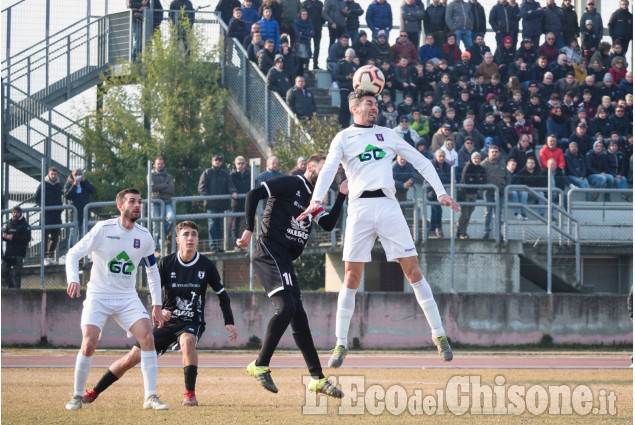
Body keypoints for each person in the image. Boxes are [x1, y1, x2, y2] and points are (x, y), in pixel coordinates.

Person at [297, 90, 460, 368]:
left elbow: (421, 161)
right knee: (351, 276)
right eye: (369, 104)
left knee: (413, 271)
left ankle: (439, 335)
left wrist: (441, 191)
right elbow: (328, 170)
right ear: (354, 107)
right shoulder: (344, 137)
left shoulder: (388, 134)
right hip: (359, 209)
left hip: (388, 206)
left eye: (376, 104)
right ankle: (340, 344)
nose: (375, 108)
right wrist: (316, 200)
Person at [81, 221, 238, 407]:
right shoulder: (166, 262)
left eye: (194, 234)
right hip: (167, 321)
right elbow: (152, 289)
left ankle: (189, 395)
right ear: (178, 239)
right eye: (186, 234)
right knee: (131, 358)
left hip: (191, 321)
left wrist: (229, 321)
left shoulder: (207, 265)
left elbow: (222, 295)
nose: (190, 238)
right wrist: (159, 309)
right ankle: (93, 392)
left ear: (198, 239)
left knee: (187, 341)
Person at [236, 154, 346, 397]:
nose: (328, 172)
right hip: (269, 250)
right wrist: (248, 230)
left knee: (299, 319)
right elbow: (253, 194)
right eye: (324, 167)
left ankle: (317, 379)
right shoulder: (293, 183)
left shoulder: (313, 199)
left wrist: (342, 195)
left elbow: (327, 224)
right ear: (309, 167)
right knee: (285, 308)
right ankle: (260, 364)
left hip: (284, 258)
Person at [64, 188, 168, 411]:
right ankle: (76, 396)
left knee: (147, 337)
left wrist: (157, 305)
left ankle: (150, 397)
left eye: (139, 202)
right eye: (131, 202)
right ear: (120, 206)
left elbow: (152, 271)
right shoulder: (103, 229)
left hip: (126, 298)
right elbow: (73, 253)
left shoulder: (144, 235)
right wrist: (73, 279)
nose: (137, 205)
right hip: (98, 296)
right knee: (89, 342)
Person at [198, 154, 238, 252]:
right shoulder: (207, 173)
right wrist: (207, 197)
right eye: (216, 159)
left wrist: (233, 192)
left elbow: (230, 185)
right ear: (212, 161)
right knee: (212, 225)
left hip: (221, 205)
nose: (218, 161)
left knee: (219, 226)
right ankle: (213, 246)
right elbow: (202, 187)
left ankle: (218, 246)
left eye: (219, 160)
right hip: (211, 205)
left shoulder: (225, 174)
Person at [34, 166, 63, 266]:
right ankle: (43, 258)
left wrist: (61, 208)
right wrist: (44, 207)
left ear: (57, 175)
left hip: (56, 216)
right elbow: (36, 198)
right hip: (46, 216)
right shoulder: (43, 184)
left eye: (55, 174)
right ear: (48, 174)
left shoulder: (59, 185)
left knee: (55, 238)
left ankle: (49, 257)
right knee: (45, 238)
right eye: (52, 174)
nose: (54, 176)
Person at [481, 144, 510, 238]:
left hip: (500, 193)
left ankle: (498, 233)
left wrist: (505, 187)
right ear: (488, 153)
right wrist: (484, 188)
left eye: (496, 152)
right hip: (488, 193)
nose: (494, 154)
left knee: (498, 214)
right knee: (488, 213)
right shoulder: (484, 164)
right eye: (492, 152)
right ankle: (486, 232)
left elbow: (508, 177)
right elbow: (480, 178)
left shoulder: (502, 164)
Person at [147, 158, 175, 254]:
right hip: (155, 202)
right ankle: (156, 248)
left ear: (164, 164)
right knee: (156, 225)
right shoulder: (151, 175)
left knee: (171, 218)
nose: (160, 165)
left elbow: (171, 189)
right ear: (154, 165)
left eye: (161, 163)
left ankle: (164, 235)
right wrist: (165, 185)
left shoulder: (168, 176)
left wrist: (160, 187)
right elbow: (152, 187)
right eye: (158, 164)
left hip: (167, 202)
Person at [456, 152, 486, 238]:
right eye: (475, 158)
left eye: (478, 158)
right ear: (471, 159)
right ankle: (459, 229)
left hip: (474, 194)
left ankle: (463, 231)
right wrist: (477, 179)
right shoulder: (468, 167)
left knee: (469, 214)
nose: (477, 160)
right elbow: (465, 180)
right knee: (465, 214)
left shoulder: (481, 168)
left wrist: (474, 179)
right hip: (465, 193)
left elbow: (483, 180)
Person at [64, 168, 97, 244]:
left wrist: (85, 181)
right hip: (74, 213)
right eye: (76, 175)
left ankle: (81, 254)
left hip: (84, 213)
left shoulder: (84, 183)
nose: (78, 176)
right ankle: (71, 252)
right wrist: (75, 185)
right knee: (73, 234)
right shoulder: (69, 183)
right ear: (72, 175)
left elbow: (93, 190)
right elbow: (67, 196)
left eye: (79, 175)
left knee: (83, 234)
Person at [2, 206, 31, 289]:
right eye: (14, 212)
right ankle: (10, 288)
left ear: (20, 213)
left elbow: (26, 239)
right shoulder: (9, 223)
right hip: (8, 253)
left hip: (19, 254)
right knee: (3, 272)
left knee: (16, 275)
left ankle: (16, 293)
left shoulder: (25, 225)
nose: (15, 214)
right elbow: (5, 235)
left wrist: (13, 238)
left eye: (17, 212)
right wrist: (4, 237)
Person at [427, 149, 453, 238]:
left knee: (438, 210)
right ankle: (433, 230)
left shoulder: (447, 166)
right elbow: (431, 178)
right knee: (435, 210)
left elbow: (450, 179)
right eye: (440, 156)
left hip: (441, 192)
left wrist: (439, 178)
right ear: (436, 156)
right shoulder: (432, 164)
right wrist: (441, 179)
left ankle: (436, 229)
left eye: (443, 156)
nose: (442, 158)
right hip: (431, 191)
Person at [230, 156, 251, 243]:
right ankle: (236, 243)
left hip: (247, 201)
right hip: (236, 202)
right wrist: (233, 191)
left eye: (242, 163)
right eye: (239, 163)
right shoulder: (232, 175)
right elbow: (230, 185)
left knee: (248, 222)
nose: (241, 165)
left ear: (245, 164)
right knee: (236, 222)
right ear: (235, 164)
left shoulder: (249, 174)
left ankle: (247, 242)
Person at [335, 48, 357, 127]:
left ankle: (346, 124)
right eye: (349, 57)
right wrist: (347, 77)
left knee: (349, 108)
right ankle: (341, 123)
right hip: (344, 88)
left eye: (352, 57)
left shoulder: (354, 65)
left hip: (352, 89)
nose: (350, 58)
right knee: (344, 107)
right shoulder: (341, 63)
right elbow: (337, 76)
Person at [302, 0, 325, 69]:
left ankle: (315, 64)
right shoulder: (305, 3)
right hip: (308, 28)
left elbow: (323, 15)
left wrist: (321, 23)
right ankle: (306, 64)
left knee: (317, 47)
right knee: (307, 46)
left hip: (318, 28)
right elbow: (301, 15)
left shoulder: (320, 3)